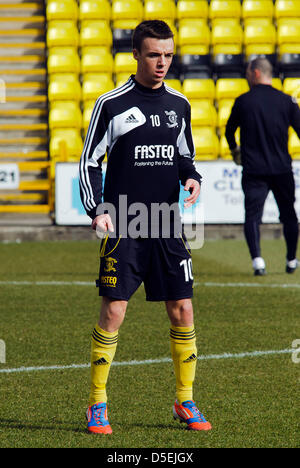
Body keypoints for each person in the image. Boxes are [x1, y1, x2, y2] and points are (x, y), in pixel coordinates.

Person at [79, 20, 212, 434]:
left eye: (169, 55)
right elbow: (89, 162)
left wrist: (192, 176)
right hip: (125, 225)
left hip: (167, 225)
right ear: (136, 54)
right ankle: (97, 404)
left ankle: (185, 401)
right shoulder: (111, 104)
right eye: (154, 54)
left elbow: (183, 154)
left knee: (183, 309)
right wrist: (97, 208)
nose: (162, 63)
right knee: (114, 311)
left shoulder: (180, 104)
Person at [225, 57, 300, 276]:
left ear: (256, 73)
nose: (247, 77)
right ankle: (291, 260)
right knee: (289, 216)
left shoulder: (243, 101)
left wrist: (234, 150)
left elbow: (229, 131)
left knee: (252, 216)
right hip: (282, 169)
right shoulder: (286, 101)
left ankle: (258, 261)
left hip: (254, 170)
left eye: (248, 73)